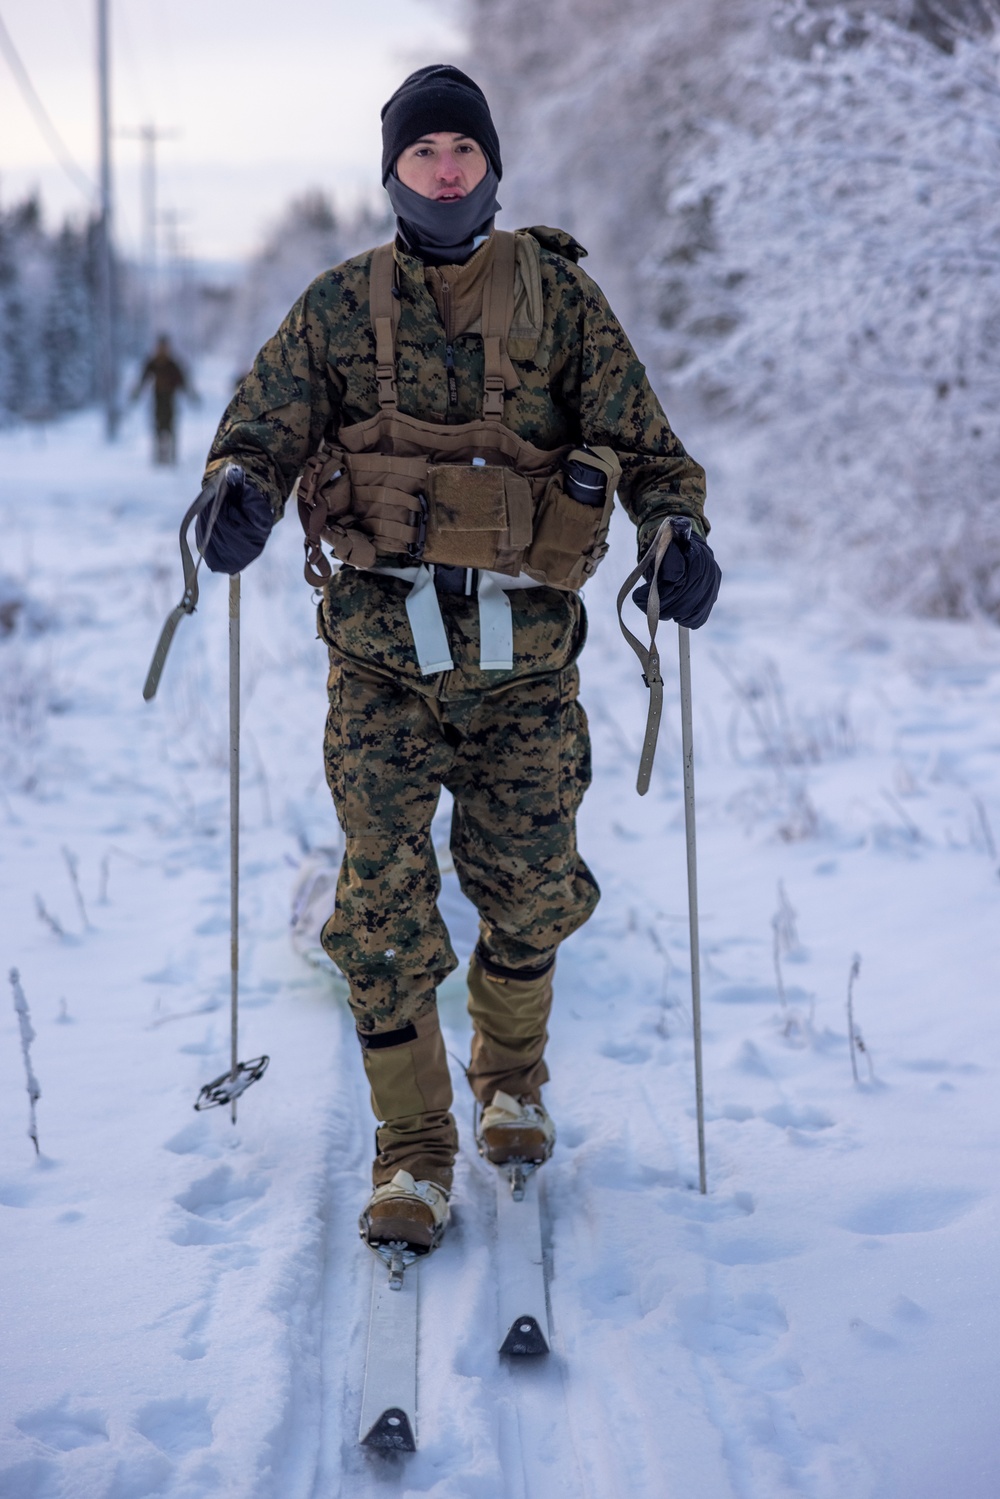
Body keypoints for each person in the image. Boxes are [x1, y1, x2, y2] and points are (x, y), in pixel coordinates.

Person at [195, 65, 720, 1255]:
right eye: (422, 151)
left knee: (530, 890)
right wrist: (235, 492)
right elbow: (259, 431)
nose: (444, 169)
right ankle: (414, 1147)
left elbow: (652, 453)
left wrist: (676, 533)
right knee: (380, 905)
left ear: (491, 166)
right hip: (381, 664)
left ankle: (510, 1074)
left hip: (527, 667)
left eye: (462, 151)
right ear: (391, 172)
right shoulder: (336, 306)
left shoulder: (561, 304)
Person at [132, 335, 192, 465]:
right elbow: (143, 379)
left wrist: (190, 394)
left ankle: (172, 456)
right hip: (158, 400)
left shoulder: (172, 364)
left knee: (171, 428)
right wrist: (136, 393)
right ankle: (158, 456)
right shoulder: (153, 362)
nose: (162, 349)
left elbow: (182, 381)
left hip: (169, 400)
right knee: (158, 428)